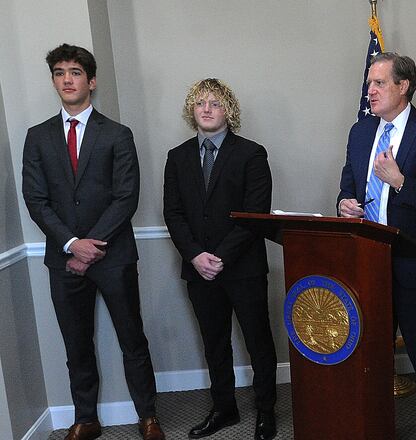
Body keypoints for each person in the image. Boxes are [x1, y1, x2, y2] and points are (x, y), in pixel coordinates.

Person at [21, 44, 164, 440]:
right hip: (63, 259)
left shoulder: (117, 134)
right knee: (77, 345)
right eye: (59, 73)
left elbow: (126, 197)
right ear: (54, 81)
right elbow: (35, 199)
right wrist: (71, 243)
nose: (67, 79)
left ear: (92, 81)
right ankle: (85, 419)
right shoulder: (37, 137)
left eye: (75, 72)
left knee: (132, 339)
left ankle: (148, 417)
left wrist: (91, 245)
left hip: (114, 256)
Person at [337, 52, 416, 440]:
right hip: (366, 258)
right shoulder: (360, 132)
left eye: (379, 83)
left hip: (411, 260)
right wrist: (344, 202)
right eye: (369, 83)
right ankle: (372, 426)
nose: (369, 90)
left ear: (403, 86)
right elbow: (348, 182)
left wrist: (399, 180)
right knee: (370, 351)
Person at [163, 78, 277, 440]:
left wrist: (220, 256)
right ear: (192, 110)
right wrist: (196, 256)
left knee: (258, 342)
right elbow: (173, 213)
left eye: (215, 103)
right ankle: (224, 408)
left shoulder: (251, 154)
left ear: (229, 111)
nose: (207, 109)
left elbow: (255, 214)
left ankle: (266, 411)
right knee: (214, 343)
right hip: (199, 270)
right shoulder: (177, 157)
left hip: (243, 267)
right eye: (200, 103)